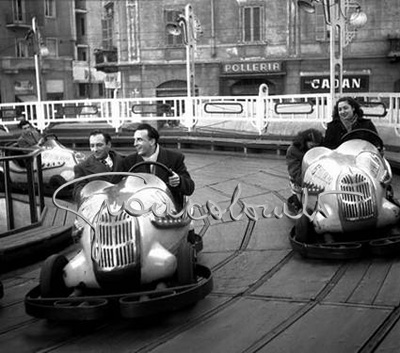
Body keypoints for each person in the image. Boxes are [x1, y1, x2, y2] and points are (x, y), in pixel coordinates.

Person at [123, 123, 195, 208]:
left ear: (152, 141)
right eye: (134, 140)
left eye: (139, 140)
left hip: (169, 210)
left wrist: (179, 181)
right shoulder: (130, 161)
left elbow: (189, 188)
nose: (135, 144)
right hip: (140, 211)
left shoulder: (174, 158)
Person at [72, 130, 125, 203]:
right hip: (98, 208)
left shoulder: (123, 160)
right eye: (92, 146)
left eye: (99, 145)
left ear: (109, 144)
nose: (95, 150)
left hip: (122, 207)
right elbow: (78, 194)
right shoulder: (82, 168)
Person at [286, 128, 324, 212]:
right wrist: (309, 182)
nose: (314, 149)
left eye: (316, 146)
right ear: (305, 142)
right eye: (312, 146)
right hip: (300, 181)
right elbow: (295, 172)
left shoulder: (319, 149)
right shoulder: (293, 150)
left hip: (316, 178)